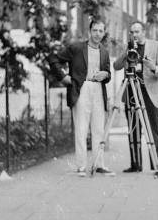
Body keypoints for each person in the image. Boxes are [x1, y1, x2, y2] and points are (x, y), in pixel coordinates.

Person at [49, 19, 115, 177]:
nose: (98, 34)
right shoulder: (77, 48)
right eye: (95, 30)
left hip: (98, 89)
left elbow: (108, 74)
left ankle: (99, 165)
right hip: (81, 88)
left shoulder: (104, 52)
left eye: (101, 31)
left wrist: (105, 74)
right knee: (81, 128)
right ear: (89, 32)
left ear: (104, 33)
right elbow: (54, 59)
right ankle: (81, 166)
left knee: (99, 128)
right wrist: (64, 77)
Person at [113, 21, 158, 174]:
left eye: (137, 31)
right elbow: (116, 66)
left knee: (152, 130)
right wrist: (127, 51)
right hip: (131, 92)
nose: (134, 35)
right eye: (132, 32)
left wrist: (152, 67)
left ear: (144, 32)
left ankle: (157, 165)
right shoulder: (127, 46)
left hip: (148, 93)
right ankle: (136, 164)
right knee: (133, 130)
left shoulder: (156, 46)